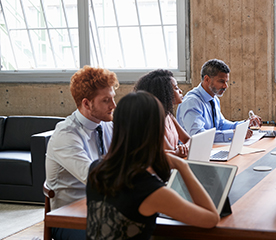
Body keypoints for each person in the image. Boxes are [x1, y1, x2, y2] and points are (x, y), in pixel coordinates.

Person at [86, 91, 219, 239]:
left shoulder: (96, 168)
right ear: (155, 130)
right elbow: (211, 218)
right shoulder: (149, 190)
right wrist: (183, 167)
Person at [45, 66, 119, 239]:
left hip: (104, 208)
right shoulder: (66, 134)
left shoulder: (107, 124)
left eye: (113, 98)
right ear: (86, 103)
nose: (113, 105)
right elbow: (96, 178)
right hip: (70, 218)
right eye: (106, 100)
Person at [176, 59, 262, 142]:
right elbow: (198, 135)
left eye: (226, 81)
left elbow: (221, 124)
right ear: (207, 80)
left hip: (211, 149)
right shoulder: (191, 102)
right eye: (221, 81)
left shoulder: (214, 98)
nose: (226, 86)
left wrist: (246, 124)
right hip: (192, 154)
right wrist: (233, 134)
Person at [134, 69, 191, 158]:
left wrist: (183, 148)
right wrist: (180, 150)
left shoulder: (168, 115)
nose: (180, 91)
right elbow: (171, 153)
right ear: (164, 93)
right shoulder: (153, 120)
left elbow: (188, 139)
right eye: (176, 88)